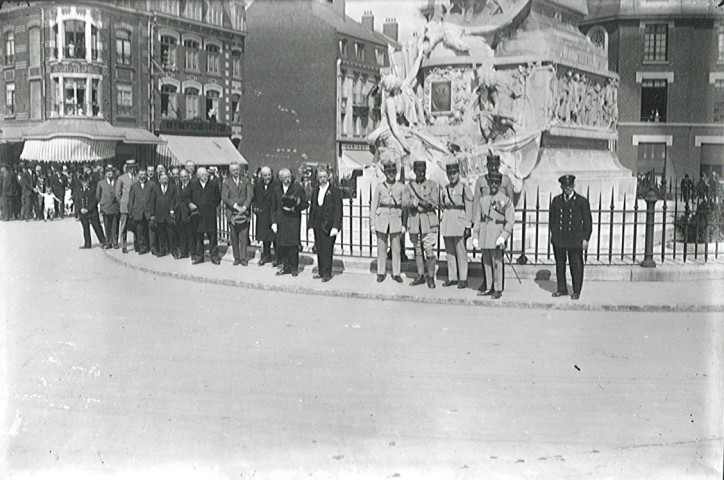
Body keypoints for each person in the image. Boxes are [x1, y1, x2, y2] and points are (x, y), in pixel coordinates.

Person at [549, 174, 592, 300]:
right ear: (561, 187)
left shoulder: (581, 201)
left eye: (570, 186)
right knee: (560, 264)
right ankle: (561, 288)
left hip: (575, 239)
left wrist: (585, 239)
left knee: (576, 265)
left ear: (573, 186)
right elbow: (552, 219)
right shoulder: (556, 201)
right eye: (565, 186)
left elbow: (588, 222)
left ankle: (576, 290)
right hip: (560, 238)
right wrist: (553, 234)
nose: (567, 188)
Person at [472, 172, 514, 299]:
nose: (494, 185)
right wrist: (475, 235)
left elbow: (510, 220)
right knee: (487, 262)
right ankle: (489, 287)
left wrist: (504, 236)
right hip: (485, 233)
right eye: (491, 183)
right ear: (489, 184)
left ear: (500, 184)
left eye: (496, 183)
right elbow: (478, 218)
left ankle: (498, 288)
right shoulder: (483, 200)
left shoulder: (505, 200)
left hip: (497, 232)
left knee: (497, 262)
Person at [403, 160, 439, 288]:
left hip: (428, 222)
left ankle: (430, 277)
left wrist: (421, 204)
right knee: (417, 250)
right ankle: (420, 275)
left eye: (423, 170)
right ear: (414, 171)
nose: (421, 173)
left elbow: (434, 202)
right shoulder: (409, 186)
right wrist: (417, 202)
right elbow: (404, 202)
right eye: (418, 171)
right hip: (414, 223)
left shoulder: (432, 185)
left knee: (429, 250)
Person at [370, 160, 406, 283]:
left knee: (396, 248)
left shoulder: (401, 187)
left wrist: (404, 224)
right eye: (389, 172)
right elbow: (374, 205)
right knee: (381, 247)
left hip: (396, 218)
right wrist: (372, 223)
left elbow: (404, 207)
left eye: (393, 172)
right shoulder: (380, 187)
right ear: (385, 173)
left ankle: (396, 273)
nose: (391, 174)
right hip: (382, 219)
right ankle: (381, 272)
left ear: (396, 173)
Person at [440, 161, 473, 289]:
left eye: (454, 173)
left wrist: (468, 226)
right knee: (450, 252)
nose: (451, 176)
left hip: (460, 222)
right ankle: (452, 277)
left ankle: (463, 278)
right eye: (449, 174)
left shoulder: (465, 188)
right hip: (448, 222)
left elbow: (469, 208)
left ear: (458, 173)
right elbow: (443, 204)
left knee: (461, 252)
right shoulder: (446, 189)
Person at [271, 168, 308, 276]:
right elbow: (273, 207)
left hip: (293, 220)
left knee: (293, 245)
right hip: (281, 221)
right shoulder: (277, 189)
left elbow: (305, 203)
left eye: (289, 177)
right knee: (282, 245)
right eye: (285, 178)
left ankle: (294, 267)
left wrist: (294, 208)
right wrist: (273, 222)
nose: (288, 179)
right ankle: (285, 266)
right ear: (281, 179)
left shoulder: (297, 188)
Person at [308, 167, 342, 282]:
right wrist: (310, 226)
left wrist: (335, 227)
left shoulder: (335, 191)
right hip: (317, 224)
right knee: (320, 249)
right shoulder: (315, 191)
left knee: (327, 249)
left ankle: (327, 273)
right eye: (320, 177)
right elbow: (312, 209)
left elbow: (338, 210)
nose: (322, 179)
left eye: (324, 177)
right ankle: (321, 271)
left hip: (329, 225)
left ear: (328, 177)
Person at [222, 162, 254, 265]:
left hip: (244, 212)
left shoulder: (246, 181)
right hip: (232, 212)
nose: (236, 172)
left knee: (244, 237)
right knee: (234, 237)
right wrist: (236, 206)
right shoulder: (226, 182)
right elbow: (225, 198)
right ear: (230, 171)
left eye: (237, 169)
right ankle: (236, 257)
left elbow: (250, 196)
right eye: (233, 170)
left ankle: (243, 258)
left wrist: (244, 207)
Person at [189, 167, 222, 265]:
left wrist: (211, 207)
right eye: (202, 175)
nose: (205, 176)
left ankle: (214, 256)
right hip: (198, 215)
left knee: (212, 236)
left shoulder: (213, 184)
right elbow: (188, 197)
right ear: (198, 176)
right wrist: (191, 204)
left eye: (206, 174)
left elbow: (218, 198)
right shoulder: (193, 185)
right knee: (199, 237)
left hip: (210, 214)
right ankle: (199, 256)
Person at [252, 166, 279, 266]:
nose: (267, 177)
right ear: (261, 176)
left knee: (275, 238)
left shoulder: (276, 185)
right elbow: (254, 198)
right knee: (265, 238)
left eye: (269, 175)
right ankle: (266, 256)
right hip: (262, 215)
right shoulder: (258, 185)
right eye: (265, 175)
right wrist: (255, 207)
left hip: (272, 214)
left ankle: (277, 257)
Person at [150, 171, 178, 257]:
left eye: (166, 178)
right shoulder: (156, 188)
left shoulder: (173, 187)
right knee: (161, 234)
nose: (164, 180)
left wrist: (172, 209)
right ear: (159, 180)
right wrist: (153, 214)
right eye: (162, 179)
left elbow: (175, 199)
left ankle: (173, 251)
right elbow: (152, 201)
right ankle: (162, 250)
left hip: (169, 214)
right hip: (160, 215)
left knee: (171, 234)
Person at [76, 172, 106, 249]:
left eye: (85, 181)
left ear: (88, 180)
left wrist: (88, 209)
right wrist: (80, 209)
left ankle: (103, 241)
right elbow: (76, 200)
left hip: (92, 212)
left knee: (97, 226)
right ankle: (87, 243)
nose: (84, 183)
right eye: (82, 181)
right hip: (82, 212)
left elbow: (95, 200)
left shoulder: (93, 188)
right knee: (85, 228)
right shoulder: (78, 189)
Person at [127, 168, 153, 255]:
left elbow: (153, 199)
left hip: (148, 211)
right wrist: (130, 211)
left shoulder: (151, 184)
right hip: (138, 212)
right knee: (140, 231)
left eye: (144, 174)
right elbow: (131, 199)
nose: (143, 176)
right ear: (138, 175)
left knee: (150, 231)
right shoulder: (134, 186)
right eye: (141, 174)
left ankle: (152, 247)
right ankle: (142, 247)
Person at [96, 165, 120, 249]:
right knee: (107, 225)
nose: (110, 174)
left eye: (111, 172)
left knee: (115, 225)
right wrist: (102, 203)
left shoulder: (117, 182)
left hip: (115, 207)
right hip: (105, 207)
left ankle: (115, 242)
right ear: (105, 174)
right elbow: (98, 196)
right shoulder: (101, 183)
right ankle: (108, 242)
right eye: (108, 172)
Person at [116, 160, 137, 253]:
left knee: (136, 225)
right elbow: (117, 193)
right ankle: (123, 245)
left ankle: (137, 244)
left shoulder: (137, 177)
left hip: (135, 206)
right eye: (130, 167)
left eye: (133, 167)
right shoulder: (121, 178)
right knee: (123, 226)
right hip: (125, 205)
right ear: (127, 168)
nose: (132, 169)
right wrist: (122, 201)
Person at [175, 168, 194, 259]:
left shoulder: (192, 186)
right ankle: (183, 252)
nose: (183, 178)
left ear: (188, 177)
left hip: (188, 214)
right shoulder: (177, 186)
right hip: (179, 214)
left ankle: (193, 253)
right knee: (181, 235)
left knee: (190, 235)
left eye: (185, 176)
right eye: (181, 177)